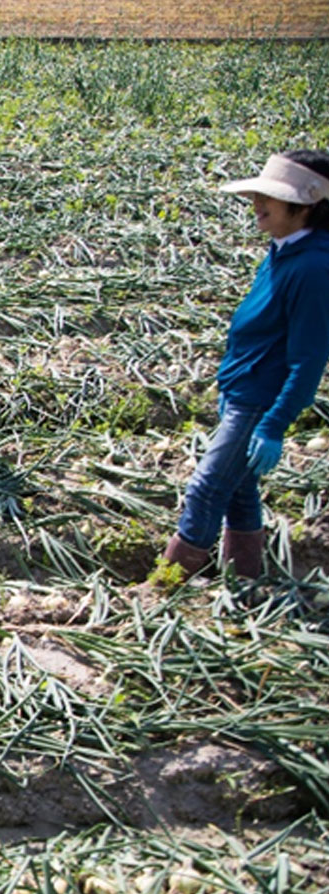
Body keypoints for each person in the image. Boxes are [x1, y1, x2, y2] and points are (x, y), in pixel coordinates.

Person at [157, 150, 329, 581]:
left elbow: (310, 358)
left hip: (258, 400)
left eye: (268, 198)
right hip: (241, 387)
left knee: (207, 487)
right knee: (238, 492)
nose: (257, 206)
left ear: (305, 206)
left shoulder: (312, 268)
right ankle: (245, 579)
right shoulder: (285, 251)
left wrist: (273, 425)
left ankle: (166, 584)